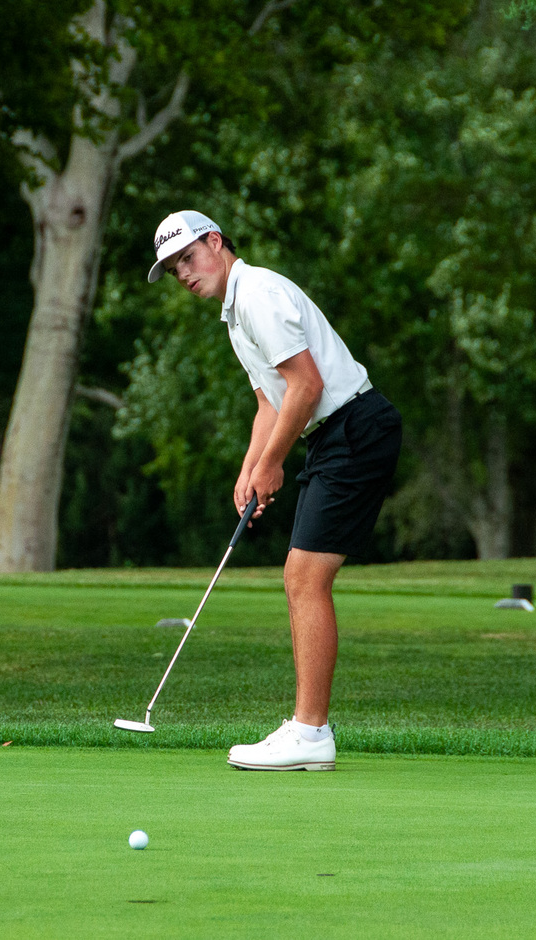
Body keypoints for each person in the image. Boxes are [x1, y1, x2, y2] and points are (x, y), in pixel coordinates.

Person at [146, 209, 402, 771]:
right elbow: (272, 400)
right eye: (173, 268)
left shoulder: (257, 292)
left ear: (216, 242)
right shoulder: (234, 313)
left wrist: (274, 464)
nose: (184, 273)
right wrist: (251, 468)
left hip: (353, 428)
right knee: (299, 575)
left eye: (188, 257)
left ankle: (311, 733)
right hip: (335, 434)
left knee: (305, 575)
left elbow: (307, 386)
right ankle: (308, 729)